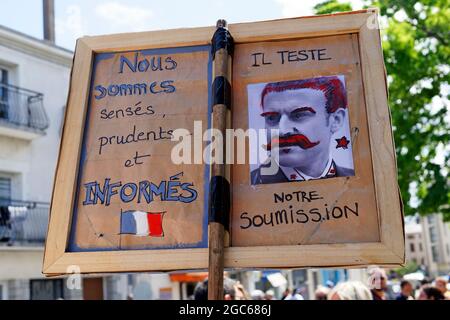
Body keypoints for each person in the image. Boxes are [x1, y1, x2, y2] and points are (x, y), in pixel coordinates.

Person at [251, 76, 354, 185]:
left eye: (299, 115)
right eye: (272, 118)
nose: (282, 130)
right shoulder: (251, 186)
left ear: (336, 121)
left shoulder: (356, 180)